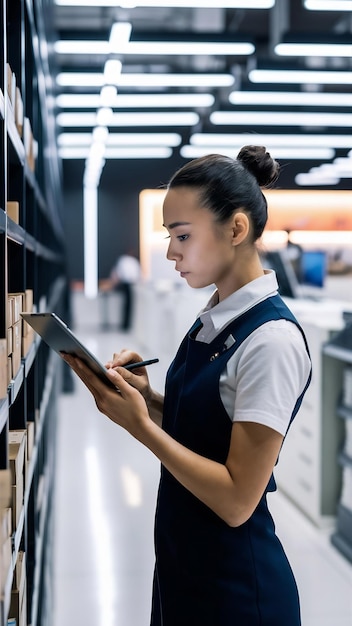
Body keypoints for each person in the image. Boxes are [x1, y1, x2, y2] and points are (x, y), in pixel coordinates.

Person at [62, 146, 312, 626]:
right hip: (186, 570)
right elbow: (204, 428)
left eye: (182, 235)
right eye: (169, 235)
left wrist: (140, 427)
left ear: (236, 229)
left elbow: (239, 500)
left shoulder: (272, 341)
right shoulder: (213, 319)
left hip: (237, 595)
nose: (170, 251)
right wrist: (149, 399)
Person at [110, 249, 140, 331]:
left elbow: (119, 272)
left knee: (126, 305)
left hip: (126, 283)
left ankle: (125, 325)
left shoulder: (123, 260)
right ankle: (126, 325)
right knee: (128, 305)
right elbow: (136, 274)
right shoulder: (131, 261)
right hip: (129, 284)